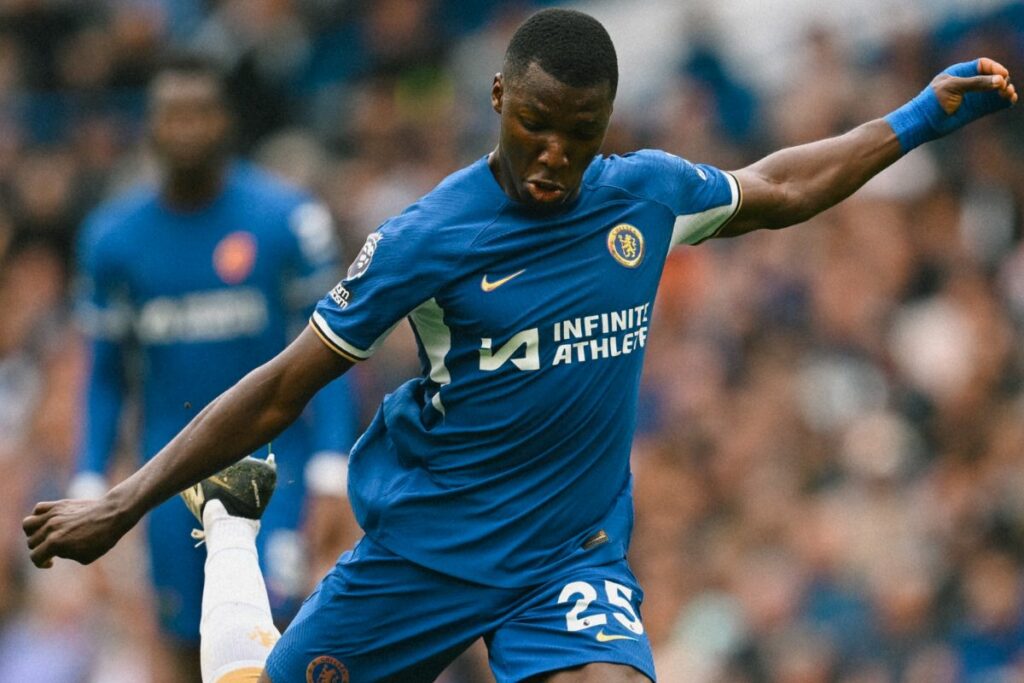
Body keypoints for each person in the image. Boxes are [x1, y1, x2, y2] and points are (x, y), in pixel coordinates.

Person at [25, 8, 1017, 683]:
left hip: (567, 555)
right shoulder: (429, 238)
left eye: (577, 134)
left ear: (604, 124)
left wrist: (916, 117)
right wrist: (119, 498)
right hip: (427, 549)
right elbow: (286, 384)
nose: (553, 156)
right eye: (535, 126)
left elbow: (781, 186)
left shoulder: (644, 195)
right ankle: (232, 537)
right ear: (499, 97)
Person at [66, 54, 358, 680]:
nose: (187, 129)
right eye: (173, 115)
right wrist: (90, 481)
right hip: (168, 476)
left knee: (278, 641)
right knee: (178, 646)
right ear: (149, 126)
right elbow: (105, 375)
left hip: (274, 470)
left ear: (226, 121)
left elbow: (335, 353)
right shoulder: (111, 239)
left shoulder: (287, 220)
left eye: (201, 113)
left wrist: (333, 470)